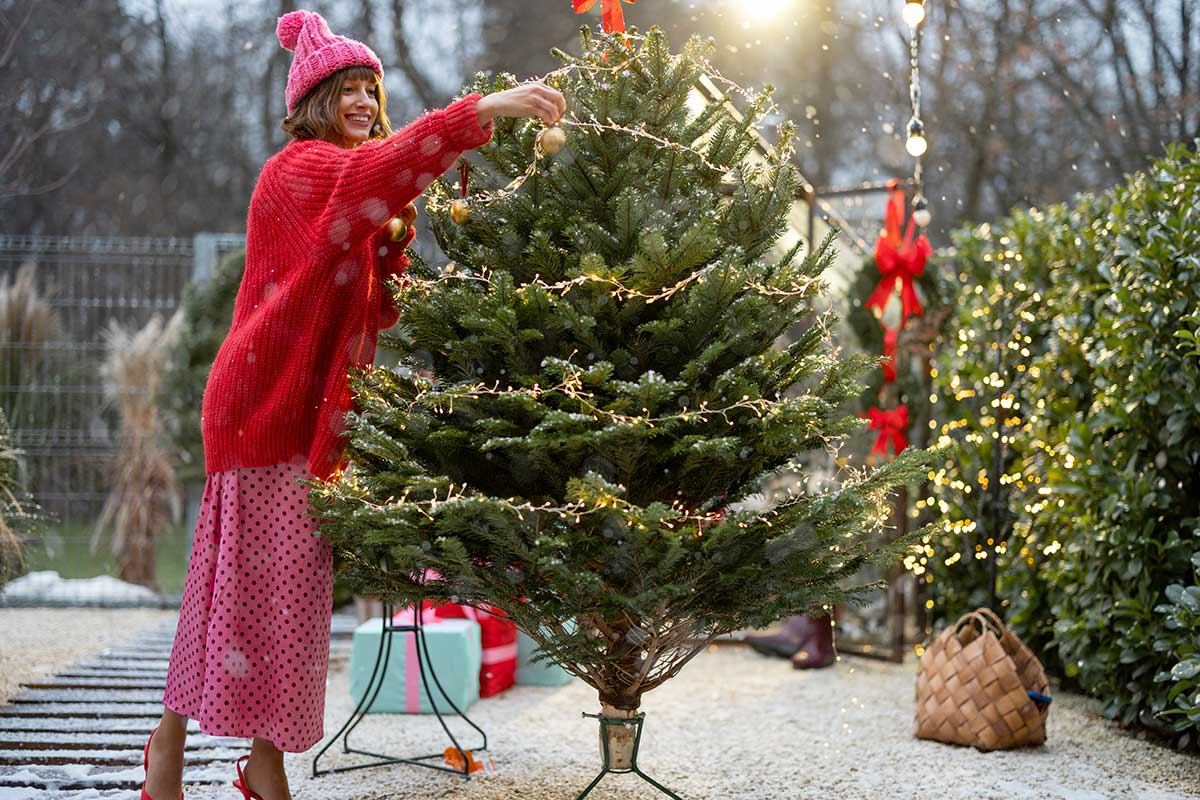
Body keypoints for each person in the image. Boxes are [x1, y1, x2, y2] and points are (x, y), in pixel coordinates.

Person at [140, 10, 565, 800]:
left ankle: (262, 762)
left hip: (304, 421)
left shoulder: (346, 181)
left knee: (289, 602)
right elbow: (378, 175)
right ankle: (167, 748)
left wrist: (392, 248)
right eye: (349, 88)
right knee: (233, 598)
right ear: (315, 98)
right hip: (262, 408)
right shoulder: (300, 169)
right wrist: (485, 112)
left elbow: (370, 303)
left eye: (373, 87)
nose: (366, 99)